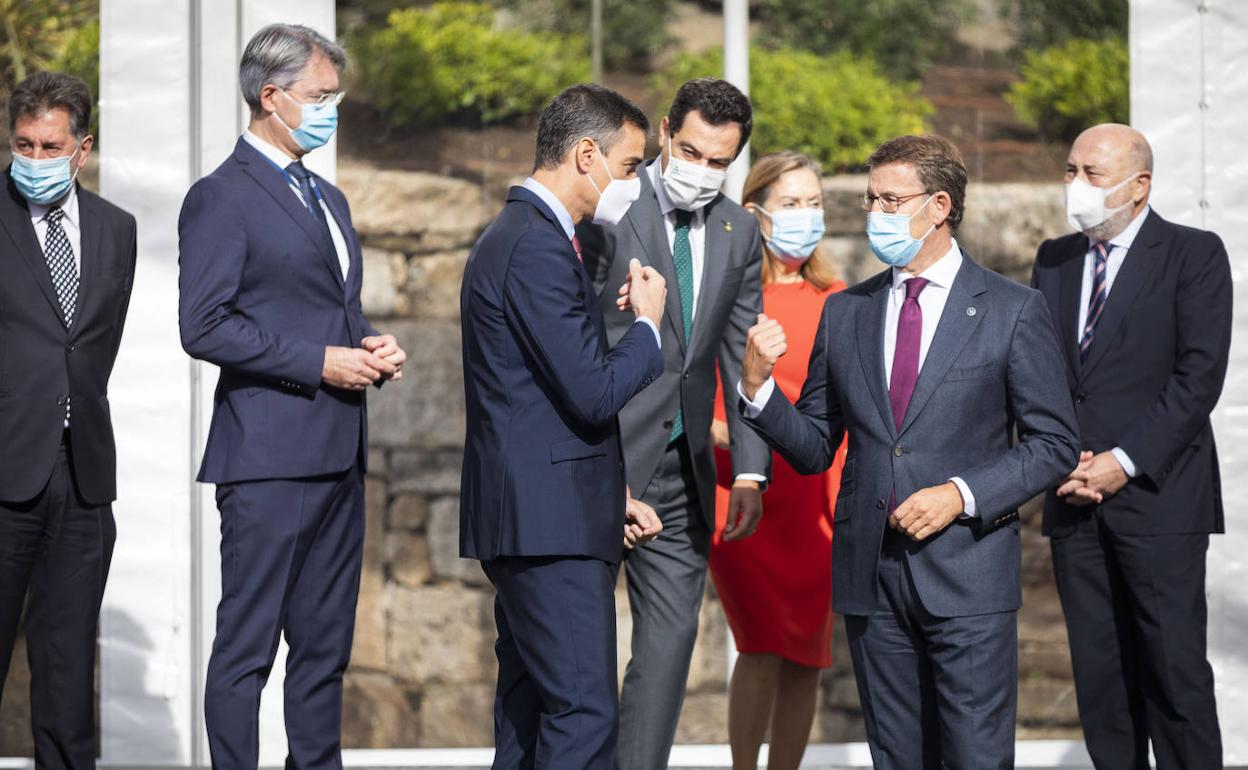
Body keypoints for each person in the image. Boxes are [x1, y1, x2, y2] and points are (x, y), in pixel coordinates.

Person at [739, 135, 1080, 769]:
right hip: (874, 577)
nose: (875, 213)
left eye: (891, 200)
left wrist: (960, 495)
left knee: (976, 758)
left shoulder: (1011, 310)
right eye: (870, 200)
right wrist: (758, 392)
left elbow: (1054, 444)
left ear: (939, 206)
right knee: (897, 758)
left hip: (969, 576)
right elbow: (815, 446)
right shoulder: (847, 312)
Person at [177, 24, 407, 768]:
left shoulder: (329, 198)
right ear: (271, 97)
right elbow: (203, 324)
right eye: (319, 95)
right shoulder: (221, 197)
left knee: (324, 651)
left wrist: (371, 344)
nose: (331, 109)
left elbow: (331, 311)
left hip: (340, 455)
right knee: (246, 650)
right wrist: (319, 363)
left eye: (336, 95)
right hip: (268, 460)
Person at [459, 83, 668, 769]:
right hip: (549, 528)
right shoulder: (534, 245)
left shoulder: (536, 238)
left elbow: (542, 399)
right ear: (586, 155)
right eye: (630, 165)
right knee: (582, 716)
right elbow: (593, 392)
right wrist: (647, 327)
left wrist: (610, 495)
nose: (634, 183)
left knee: (529, 719)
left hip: (545, 516)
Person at [576, 77, 771, 770]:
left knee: (666, 655)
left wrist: (749, 470)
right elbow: (572, 343)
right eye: (691, 152)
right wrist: (602, 472)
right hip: (597, 463)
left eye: (720, 161)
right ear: (665, 132)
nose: (703, 171)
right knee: (576, 659)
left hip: (683, 474)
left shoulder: (739, 230)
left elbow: (742, 354)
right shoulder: (606, 207)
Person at [1031, 123, 1228, 770]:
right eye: (1071, 170)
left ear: (1139, 185)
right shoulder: (1054, 259)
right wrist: (1058, 457)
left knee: (1173, 676)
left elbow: (1198, 377)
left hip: (1159, 500)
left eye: (1092, 173)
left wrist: (1124, 461)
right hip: (1073, 499)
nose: (1076, 184)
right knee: (1102, 686)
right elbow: (1039, 372)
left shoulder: (1193, 254)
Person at [0, 71, 136, 769]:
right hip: (4, 475)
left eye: (50, 146)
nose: (34, 158)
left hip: (82, 479)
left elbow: (91, 348)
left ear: (82, 149)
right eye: (23, 144)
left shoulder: (116, 230)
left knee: (68, 674)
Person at [707, 151, 846, 770]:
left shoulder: (839, 299)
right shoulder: (728, 295)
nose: (806, 215)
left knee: (808, 654)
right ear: (754, 212)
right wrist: (734, 443)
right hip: (745, 495)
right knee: (760, 643)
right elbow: (695, 392)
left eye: (814, 203)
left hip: (818, 499)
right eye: (791, 203)